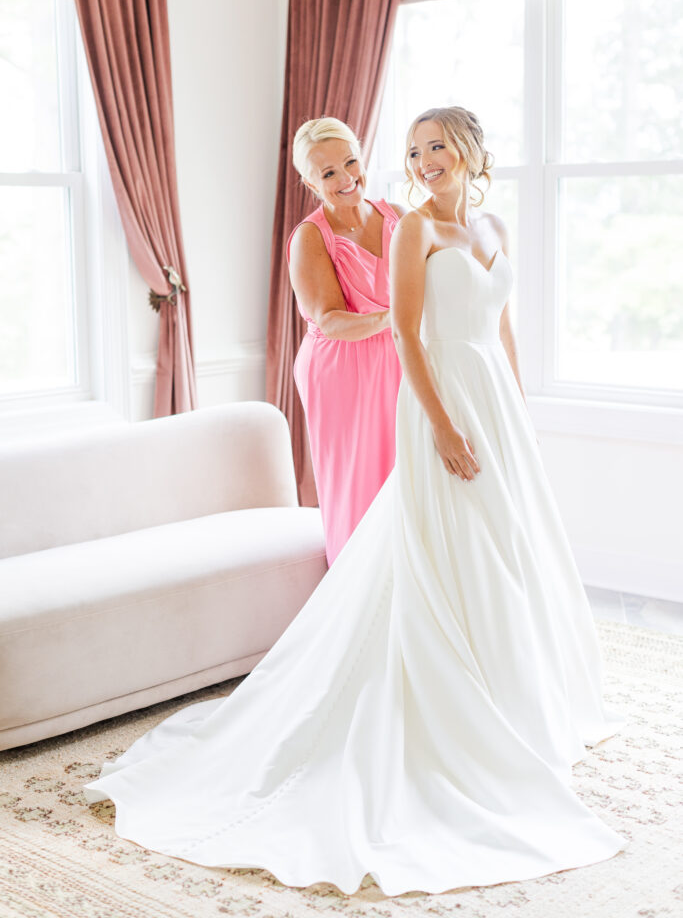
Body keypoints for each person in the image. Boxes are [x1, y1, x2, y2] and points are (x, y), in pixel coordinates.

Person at [83, 106, 627, 897]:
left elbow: (501, 326)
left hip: (493, 402)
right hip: (431, 393)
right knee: (444, 541)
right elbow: (406, 334)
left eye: (436, 146)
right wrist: (439, 424)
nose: (422, 159)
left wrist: (517, 408)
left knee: (507, 544)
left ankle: (515, 693)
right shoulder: (407, 233)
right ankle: (444, 706)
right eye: (414, 150)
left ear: (469, 152)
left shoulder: (489, 225)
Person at [287, 117, 403, 562]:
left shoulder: (399, 218)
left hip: (398, 358)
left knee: (405, 476)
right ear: (310, 182)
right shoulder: (311, 237)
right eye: (328, 172)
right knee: (360, 484)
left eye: (350, 162)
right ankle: (358, 597)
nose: (345, 177)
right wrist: (396, 318)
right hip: (343, 370)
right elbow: (330, 319)